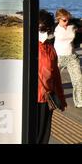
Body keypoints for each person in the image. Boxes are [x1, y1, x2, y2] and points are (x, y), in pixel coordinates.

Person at [37, 10, 66, 144]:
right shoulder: (27, 47)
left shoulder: (50, 48)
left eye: (48, 30)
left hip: (46, 98)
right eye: (43, 29)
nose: (46, 33)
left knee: (43, 135)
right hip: (29, 98)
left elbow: (56, 75)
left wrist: (61, 97)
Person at [53, 8, 82, 108]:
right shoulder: (54, 29)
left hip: (72, 57)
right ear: (58, 19)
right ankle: (53, 101)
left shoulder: (73, 26)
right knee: (53, 81)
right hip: (58, 57)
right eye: (64, 20)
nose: (66, 22)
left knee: (78, 79)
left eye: (68, 20)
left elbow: (79, 30)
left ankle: (79, 102)